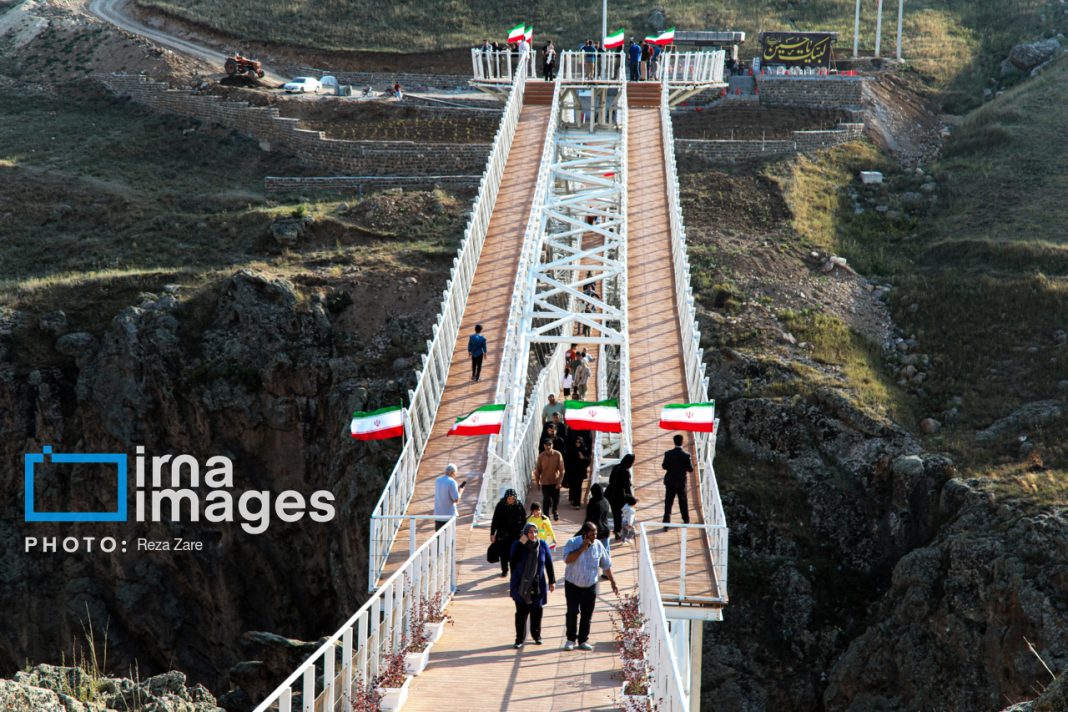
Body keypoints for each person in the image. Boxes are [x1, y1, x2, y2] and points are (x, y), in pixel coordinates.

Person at [561, 521, 618, 650]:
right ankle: (570, 640)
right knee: (572, 612)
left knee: (587, 614)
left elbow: (606, 565)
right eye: (592, 534)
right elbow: (567, 559)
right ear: (585, 534)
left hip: (590, 585)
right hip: (573, 584)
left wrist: (613, 582)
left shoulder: (598, 545)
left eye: (596, 533)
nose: (595, 536)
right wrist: (582, 548)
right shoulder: (573, 542)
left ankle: (583, 640)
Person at [510, 522, 556, 648]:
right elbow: (512, 562)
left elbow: (548, 563)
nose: (533, 534)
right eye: (530, 532)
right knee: (521, 613)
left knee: (537, 611)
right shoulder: (518, 544)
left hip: (537, 584)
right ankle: (519, 639)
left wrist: (552, 581)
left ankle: (537, 636)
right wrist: (521, 543)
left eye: (535, 532)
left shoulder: (542, 545)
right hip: (521, 584)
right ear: (525, 533)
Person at [491, 489, 527, 577]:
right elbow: (495, 520)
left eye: (513, 498)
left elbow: (524, 520)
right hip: (502, 534)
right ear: (506, 498)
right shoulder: (500, 505)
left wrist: (524, 533)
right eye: (509, 498)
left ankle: (513, 571)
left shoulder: (518, 505)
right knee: (503, 553)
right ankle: (504, 570)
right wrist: (492, 533)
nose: (511, 500)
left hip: (516, 534)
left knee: (514, 553)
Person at [662, 433, 693, 530]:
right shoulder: (686, 455)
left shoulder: (668, 453)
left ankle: (666, 523)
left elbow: (664, 466)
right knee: (683, 502)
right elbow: (690, 469)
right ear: (682, 442)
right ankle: (686, 520)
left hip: (670, 482)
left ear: (674, 442)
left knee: (668, 503)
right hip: (681, 483)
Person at [604, 453, 634, 539]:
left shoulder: (616, 466)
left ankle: (617, 531)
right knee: (621, 515)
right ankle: (619, 532)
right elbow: (627, 487)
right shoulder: (626, 472)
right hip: (619, 496)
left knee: (615, 513)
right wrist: (631, 499)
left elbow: (610, 480)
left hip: (610, 493)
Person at [534, 437, 565, 521]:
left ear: (552, 445)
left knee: (556, 499)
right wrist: (537, 482)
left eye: (550, 444)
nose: (548, 446)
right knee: (546, 499)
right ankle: (546, 516)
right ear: (544, 446)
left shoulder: (557, 455)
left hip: (555, 481)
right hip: (545, 482)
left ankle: (555, 511)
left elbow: (562, 470)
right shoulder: (541, 456)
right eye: (546, 445)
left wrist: (559, 482)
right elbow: (537, 470)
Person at [433, 463, 465, 531]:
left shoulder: (437, 480)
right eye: (455, 473)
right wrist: (460, 491)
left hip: (438, 515)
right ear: (452, 472)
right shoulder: (452, 482)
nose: (456, 475)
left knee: (438, 537)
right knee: (449, 539)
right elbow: (456, 499)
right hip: (448, 516)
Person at [564, 434, 590, 507]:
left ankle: (577, 503)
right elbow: (566, 460)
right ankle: (572, 499)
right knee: (572, 486)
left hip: (580, 472)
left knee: (578, 487)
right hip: (571, 471)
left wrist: (583, 458)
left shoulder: (584, 450)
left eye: (579, 442)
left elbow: (588, 461)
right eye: (576, 442)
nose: (577, 443)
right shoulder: (571, 450)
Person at [585, 483, 611, 554]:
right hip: (606, 530)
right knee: (606, 555)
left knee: (595, 554)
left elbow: (588, 518)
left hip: (596, 533)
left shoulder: (593, 502)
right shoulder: (606, 501)